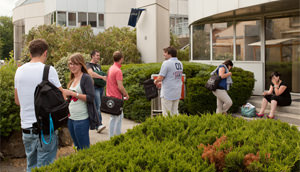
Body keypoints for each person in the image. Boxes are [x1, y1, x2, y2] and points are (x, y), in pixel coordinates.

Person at [14, 39, 61, 172]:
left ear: (30, 54)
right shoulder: (49, 70)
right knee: (46, 167)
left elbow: (17, 101)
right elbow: (60, 98)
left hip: (26, 128)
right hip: (45, 129)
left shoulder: (19, 71)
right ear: (45, 53)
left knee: (31, 166)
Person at [63, 53, 100, 150]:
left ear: (81, 65)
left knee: (84, 149)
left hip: (81, 119)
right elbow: (72, 98)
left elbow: (91, 98)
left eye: (75, 64)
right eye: (70, 64)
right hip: (71, 119)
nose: (72, 66)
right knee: (76, 147)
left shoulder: (86, 78)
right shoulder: (73, 78)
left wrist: (73, 94)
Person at [154, 46, 183, 116]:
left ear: (169, 54)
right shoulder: (180, 63)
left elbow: (160, 77)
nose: (164, 54)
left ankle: (167, 126)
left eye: (165, 52)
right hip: (177, 91)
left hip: (168, 92)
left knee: (166, 113)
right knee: (175, 112)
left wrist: (155, 81)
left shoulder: (166, 63)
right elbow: (173, 77)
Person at [106, 51, 129, 138]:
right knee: (117, 119)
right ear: (121, 59)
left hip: (110, 96)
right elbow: (120, 86)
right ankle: (115, 137)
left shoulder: (111, 68)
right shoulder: (118, 71)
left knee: (115, 118)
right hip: (117, 98)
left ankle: (112, 137)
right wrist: (126, 94)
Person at [86, 50, 106, 133]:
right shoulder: (88, 65)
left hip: (101, 88)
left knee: (99, 106)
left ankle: (96, 123)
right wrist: (102, 77)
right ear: (92, 56)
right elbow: (91, 74)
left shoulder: (98, 66)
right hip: (94, 88)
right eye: (97, 55)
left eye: (99, 55)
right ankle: (98, 124)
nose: (98, 57)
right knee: (97, 106)